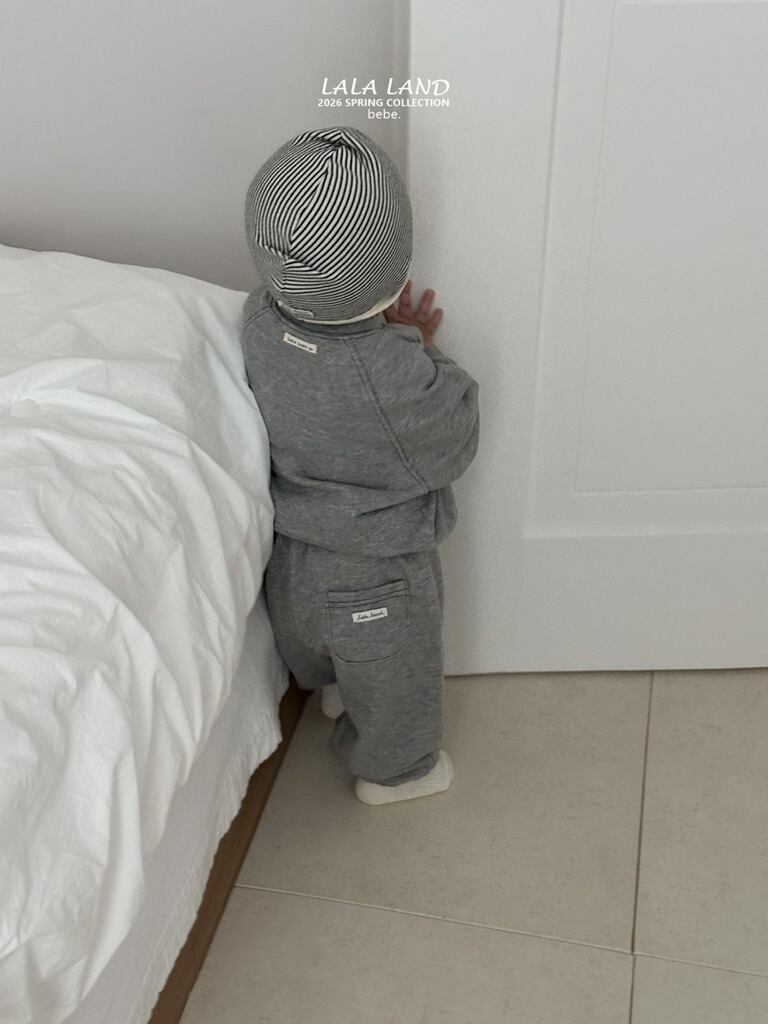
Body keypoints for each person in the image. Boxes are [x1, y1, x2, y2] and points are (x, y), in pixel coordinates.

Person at [241, 125, 479, 804]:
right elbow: (456, 433)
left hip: (294, 564)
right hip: (375, 577)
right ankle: (398, 775)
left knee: (341, 661)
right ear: (394, 265)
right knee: (398, 680)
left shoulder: (260, 321)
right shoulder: (392, 377)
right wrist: (421, 346)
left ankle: (339, 689)